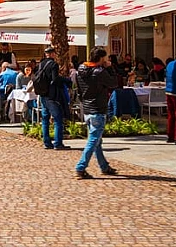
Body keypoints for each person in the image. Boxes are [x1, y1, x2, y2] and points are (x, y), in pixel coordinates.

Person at [74, 47, 119, 179]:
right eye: (104, 58)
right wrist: (110, 68)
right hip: (98, 109)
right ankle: (80, 167)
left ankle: (104, 166)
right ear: (100, 58)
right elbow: (114, 83)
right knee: (93, 140)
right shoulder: (99, 72)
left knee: (97, 140)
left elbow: (79, 90)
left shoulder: (80, 70)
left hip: (87, 109)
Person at [37, 47, 71, 150]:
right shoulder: (53, 64)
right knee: (57, 119)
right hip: (52, 95)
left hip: (43, 94)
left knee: (45, 119)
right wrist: (65, 80)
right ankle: (58, 143)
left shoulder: (41, 64)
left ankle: (47, 142)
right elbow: (55, 79)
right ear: (52, 54)